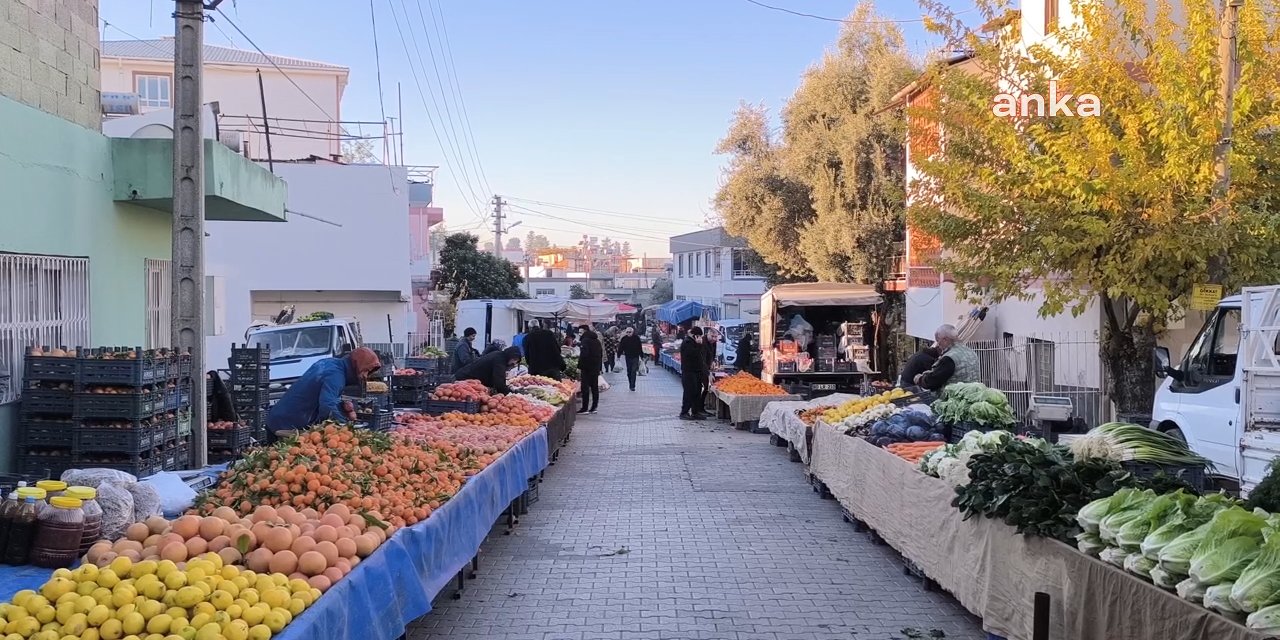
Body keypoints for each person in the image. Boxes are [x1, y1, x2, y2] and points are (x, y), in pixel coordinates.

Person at [266, 347, 382, 440]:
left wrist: (341, 406)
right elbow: (327, 405)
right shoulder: (336, 376)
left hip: (278, 416)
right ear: (356, 364)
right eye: (365, 370)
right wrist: (345, 426)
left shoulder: (330, 363)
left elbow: (321, 393)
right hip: (287, 424)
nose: (365, 376)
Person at [914, 324, 980, 391]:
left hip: (956, 398)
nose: (938, 344)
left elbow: (933, 381)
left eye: (938, 340)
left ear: (945, 340)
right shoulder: (970, 351)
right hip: (974, 395)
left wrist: (920, 379)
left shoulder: (949, 358)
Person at [453, 346, 523, 394]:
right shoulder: (499, 360)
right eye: (514, 360)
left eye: (516, 361)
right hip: (466, 378)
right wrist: (509, 393)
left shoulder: (499, 355)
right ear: (509, 356)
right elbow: (499, 381)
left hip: (467, 376)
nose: (514, 363)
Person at [679, 328, 710, 420]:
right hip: (689, 372)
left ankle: (695, 412)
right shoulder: (687, 343)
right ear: (694, 336)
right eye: (699, 336)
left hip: (696, 371)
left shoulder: (693, 343)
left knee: (697, 391)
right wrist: (699, 345)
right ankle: (684, 412)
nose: (700, 338)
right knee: (689, 392)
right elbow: (693, 354)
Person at [577, 326, 603, 414]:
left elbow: (584, 355)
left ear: (585, 332)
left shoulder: (585, 340)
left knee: (585, 388)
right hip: (595, 367)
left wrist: (579, 366)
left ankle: (585, 408)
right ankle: (594, 407)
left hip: (586, 367)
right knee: (594, 387)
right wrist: (600, 368)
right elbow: (600, 355)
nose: (579, 334)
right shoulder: (597, 341)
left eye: (580, 332)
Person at [618, 327, 644, 391]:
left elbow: (639, 347)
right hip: (628, 357)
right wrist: (618, 355)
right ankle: (630, 383)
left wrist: (642, 356)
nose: (628, 333)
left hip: (635, 357)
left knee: (633, 371)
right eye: (627, 332)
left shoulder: (636, 338)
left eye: (630, 332)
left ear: (632, 332)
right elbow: (621, 347)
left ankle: (632, 386)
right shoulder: (624, 339)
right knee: (629, 371)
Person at [700, 328, 718, 410]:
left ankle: (701, 407)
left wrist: (713, 361)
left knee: (706, 387)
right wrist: (708, 373)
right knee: (703, 387)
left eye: (715, 337)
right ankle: (698, 408)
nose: (714, 338)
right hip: (700, 368)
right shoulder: (703, 343)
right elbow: (702, 360)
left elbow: (713, 354)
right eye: (712, 336)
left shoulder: (714, 343)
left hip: (706, 367)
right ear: (708, 334)